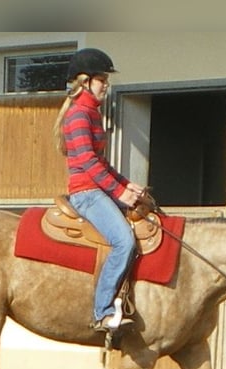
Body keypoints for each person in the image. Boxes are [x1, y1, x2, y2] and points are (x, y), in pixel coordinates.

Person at [53, 48, 147, 332]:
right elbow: (89, 164)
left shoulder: (91, 112)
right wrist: (118, 192)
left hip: (99, 189)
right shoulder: (80, 115)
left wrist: (127, 184)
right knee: (123, 241)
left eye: (106, 79)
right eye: (101, 79)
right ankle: (103, 311)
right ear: (84, 82)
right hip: (86, 194)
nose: (106, 84)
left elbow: (102, 163)